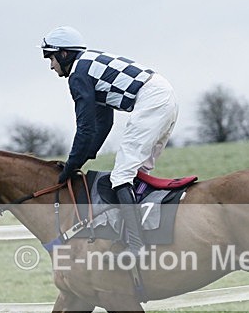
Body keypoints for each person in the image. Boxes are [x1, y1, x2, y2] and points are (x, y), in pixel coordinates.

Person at [41, 26, 178, 257]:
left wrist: (70, 167)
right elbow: (103, 123)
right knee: (136, 173)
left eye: (50, 57)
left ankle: (136, 246)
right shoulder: (90, 65)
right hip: (164, 97)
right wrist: (84, 158)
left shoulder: (78, 74)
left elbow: (85, 128)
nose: (50, 65)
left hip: (152, 101)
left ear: (64, 54)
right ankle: (144, 230)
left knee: (121, 176)